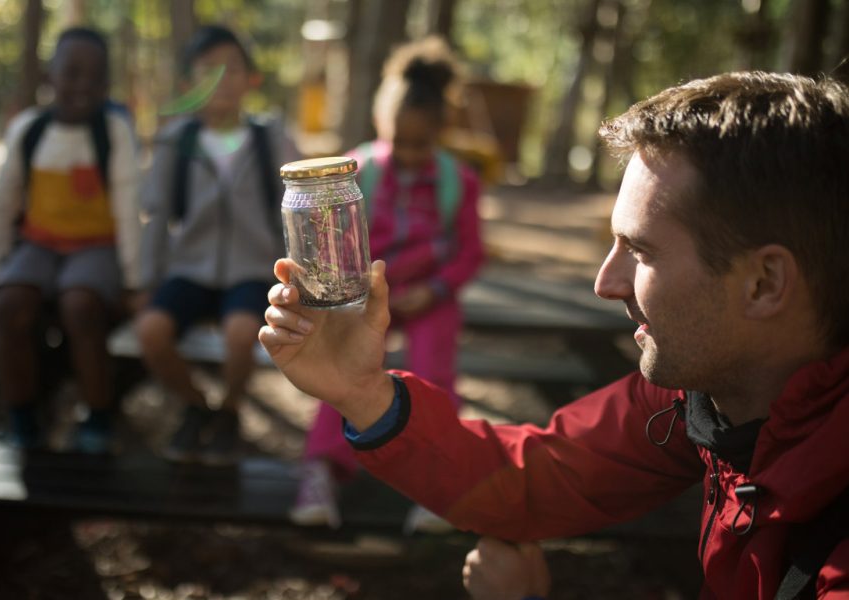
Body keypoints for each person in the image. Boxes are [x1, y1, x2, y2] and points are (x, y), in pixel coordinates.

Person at [260, 71, 849, 598]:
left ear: (765, 283)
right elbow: (533, 478)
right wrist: (364, 394)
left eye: (640, 252)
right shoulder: (702, 397)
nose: (604, 282)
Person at [290, 37, 484, 531]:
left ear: (440, 133)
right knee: (342, 370)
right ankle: (323, 470)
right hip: (368, 292)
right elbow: (337, 238)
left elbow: (469, 252)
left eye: (421, 143)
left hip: (430, 295)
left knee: (433, 370)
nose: (410, 153)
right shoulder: (359, 173)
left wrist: (437, 289)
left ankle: (439, 477)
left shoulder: (456, 181)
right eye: (400, 141)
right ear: (382, 125)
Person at [0, 27, 142, 454]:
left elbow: (127, 207)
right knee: (9, 304)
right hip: (39, 243)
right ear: (52, 75)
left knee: (80, 304)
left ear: (106, 84)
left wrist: (135, 280)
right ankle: (23, 419)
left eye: (94, 76)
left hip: (95, 244)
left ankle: (98, 416)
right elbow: (3, 204)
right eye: (72, 72)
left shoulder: (113, 131)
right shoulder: (29, 130)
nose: (82, 85)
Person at [134, 25, 298, 465]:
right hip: (188, 268)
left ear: (251, 80)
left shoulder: (270, 140)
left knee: (243, 333)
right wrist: (145, 280)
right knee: (151, 332)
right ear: (188, 85)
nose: (220, 82)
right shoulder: (175, 141)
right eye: (207, 72)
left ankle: (229, 411)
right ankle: (193, 405)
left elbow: (296, 211)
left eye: (231, 71)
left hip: (251, 268)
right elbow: (155, 215)